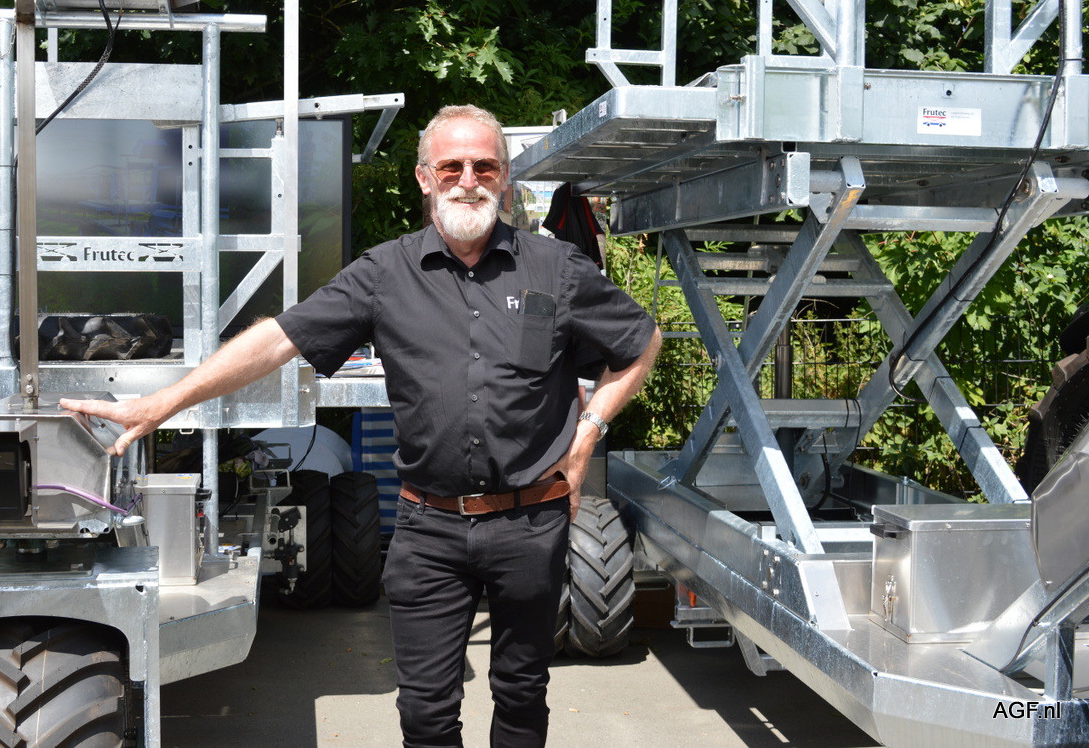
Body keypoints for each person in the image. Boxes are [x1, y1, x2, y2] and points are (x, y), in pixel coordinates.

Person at [61, 104, 661, 747]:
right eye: (451, 166)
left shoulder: (556, 268)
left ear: (505, 178)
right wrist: (164, 403)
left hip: (530, 522)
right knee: (425, 713)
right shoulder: (384, 274)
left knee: (522, 694)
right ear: (424, 177)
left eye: (485, 166)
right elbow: (277, 340)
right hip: (429, 528)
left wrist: (587, 432)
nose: (468, 180)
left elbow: (641, 342)